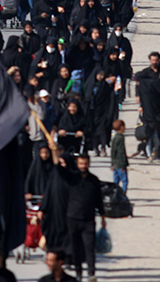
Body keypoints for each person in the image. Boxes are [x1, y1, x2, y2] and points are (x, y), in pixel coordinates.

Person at [54, 151, 105, 282]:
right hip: (72, 218)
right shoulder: (72, 177)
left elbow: (99, 199)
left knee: (89, 247)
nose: (83, 166)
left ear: (89, 164)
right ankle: (78, 273)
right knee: (75, 248)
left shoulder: (94, 180)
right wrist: (54, 153)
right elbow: (59, 169)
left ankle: (91, 273)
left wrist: (103, 216)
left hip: (89, 219)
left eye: (85, 163)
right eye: (81, 163)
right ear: (77, 164)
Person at [110, 119, 128, 193]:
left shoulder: (114, 138)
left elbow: (113, 151)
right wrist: (124, 164)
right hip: (120, 163)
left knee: (116, 182)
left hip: (115, 164)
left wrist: (112, 164)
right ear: (121, 127)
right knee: (124, 181)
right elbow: (121, 152)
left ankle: (114, 195)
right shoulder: (120, 138)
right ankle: (123, 196)